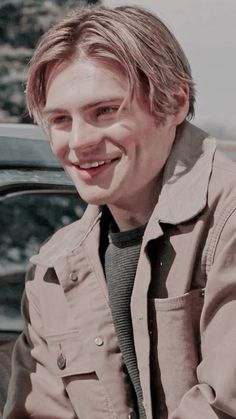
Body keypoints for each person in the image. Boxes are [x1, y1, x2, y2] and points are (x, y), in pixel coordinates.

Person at [3, 5, 236, 419]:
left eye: (105, 111)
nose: (78, 143)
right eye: (60, 119)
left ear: (175, 102)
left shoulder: (229, 222)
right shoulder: (54, 270)